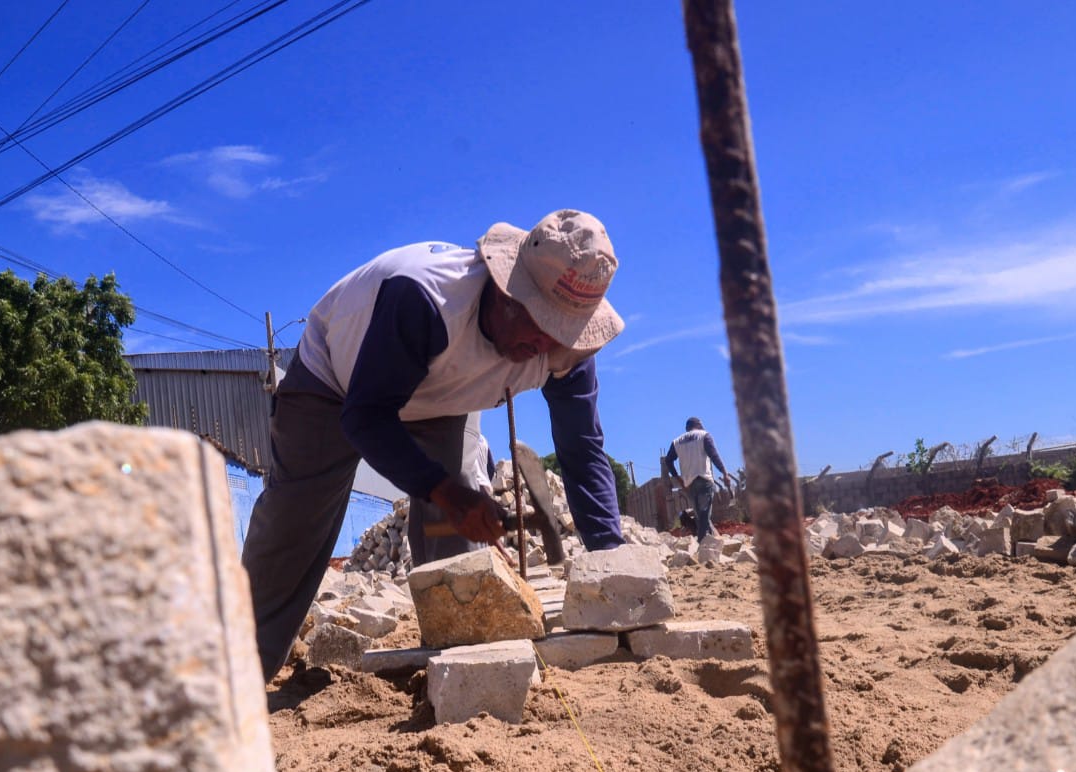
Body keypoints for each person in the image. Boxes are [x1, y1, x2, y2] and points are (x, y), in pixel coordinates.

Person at [243, 209, 627, 680]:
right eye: (540, 326)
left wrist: (615, 569)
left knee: (459, 509)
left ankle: (459, 661)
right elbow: (366, 418)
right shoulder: (425, 298)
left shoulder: (568, 349)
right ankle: (241, 668)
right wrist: (446, 493)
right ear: (507, 293)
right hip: (335, 380)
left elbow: (582, 452)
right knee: (294, 522)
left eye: (563, 332)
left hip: (446, 393)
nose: (549, 345)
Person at [662, 416, 732, 542]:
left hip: (689, 483)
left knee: (700, 515)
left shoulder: (677, 441)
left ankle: (709, 543)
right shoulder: (704, 435)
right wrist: (725, 473)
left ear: (687, 428)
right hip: (704, 479)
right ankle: (703, 545)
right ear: (699, 425)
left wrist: (678, 478)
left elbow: (668, 461)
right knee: (704, 514)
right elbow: (714, 456)